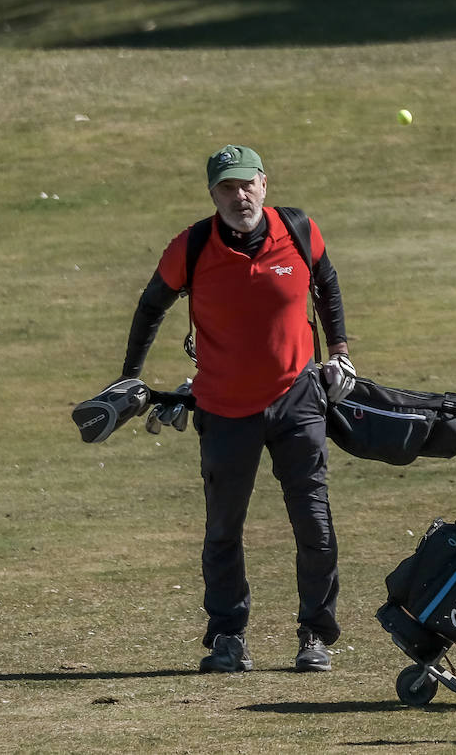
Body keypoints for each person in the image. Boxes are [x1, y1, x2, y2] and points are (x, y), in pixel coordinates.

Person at [118, 145, 359, 673]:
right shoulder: (193, 245)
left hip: (298, 399)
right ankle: (229, 637)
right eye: (227, 187)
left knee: (314, 525)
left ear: (264, 184)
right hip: (224, 408)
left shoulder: (298, 230)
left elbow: (328, 283)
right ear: (213, 194)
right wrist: (130, 378)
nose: (239, 195)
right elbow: (151, 305)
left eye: (246, 184)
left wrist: (339, 351)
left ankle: (316, 636)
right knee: (224, 529)